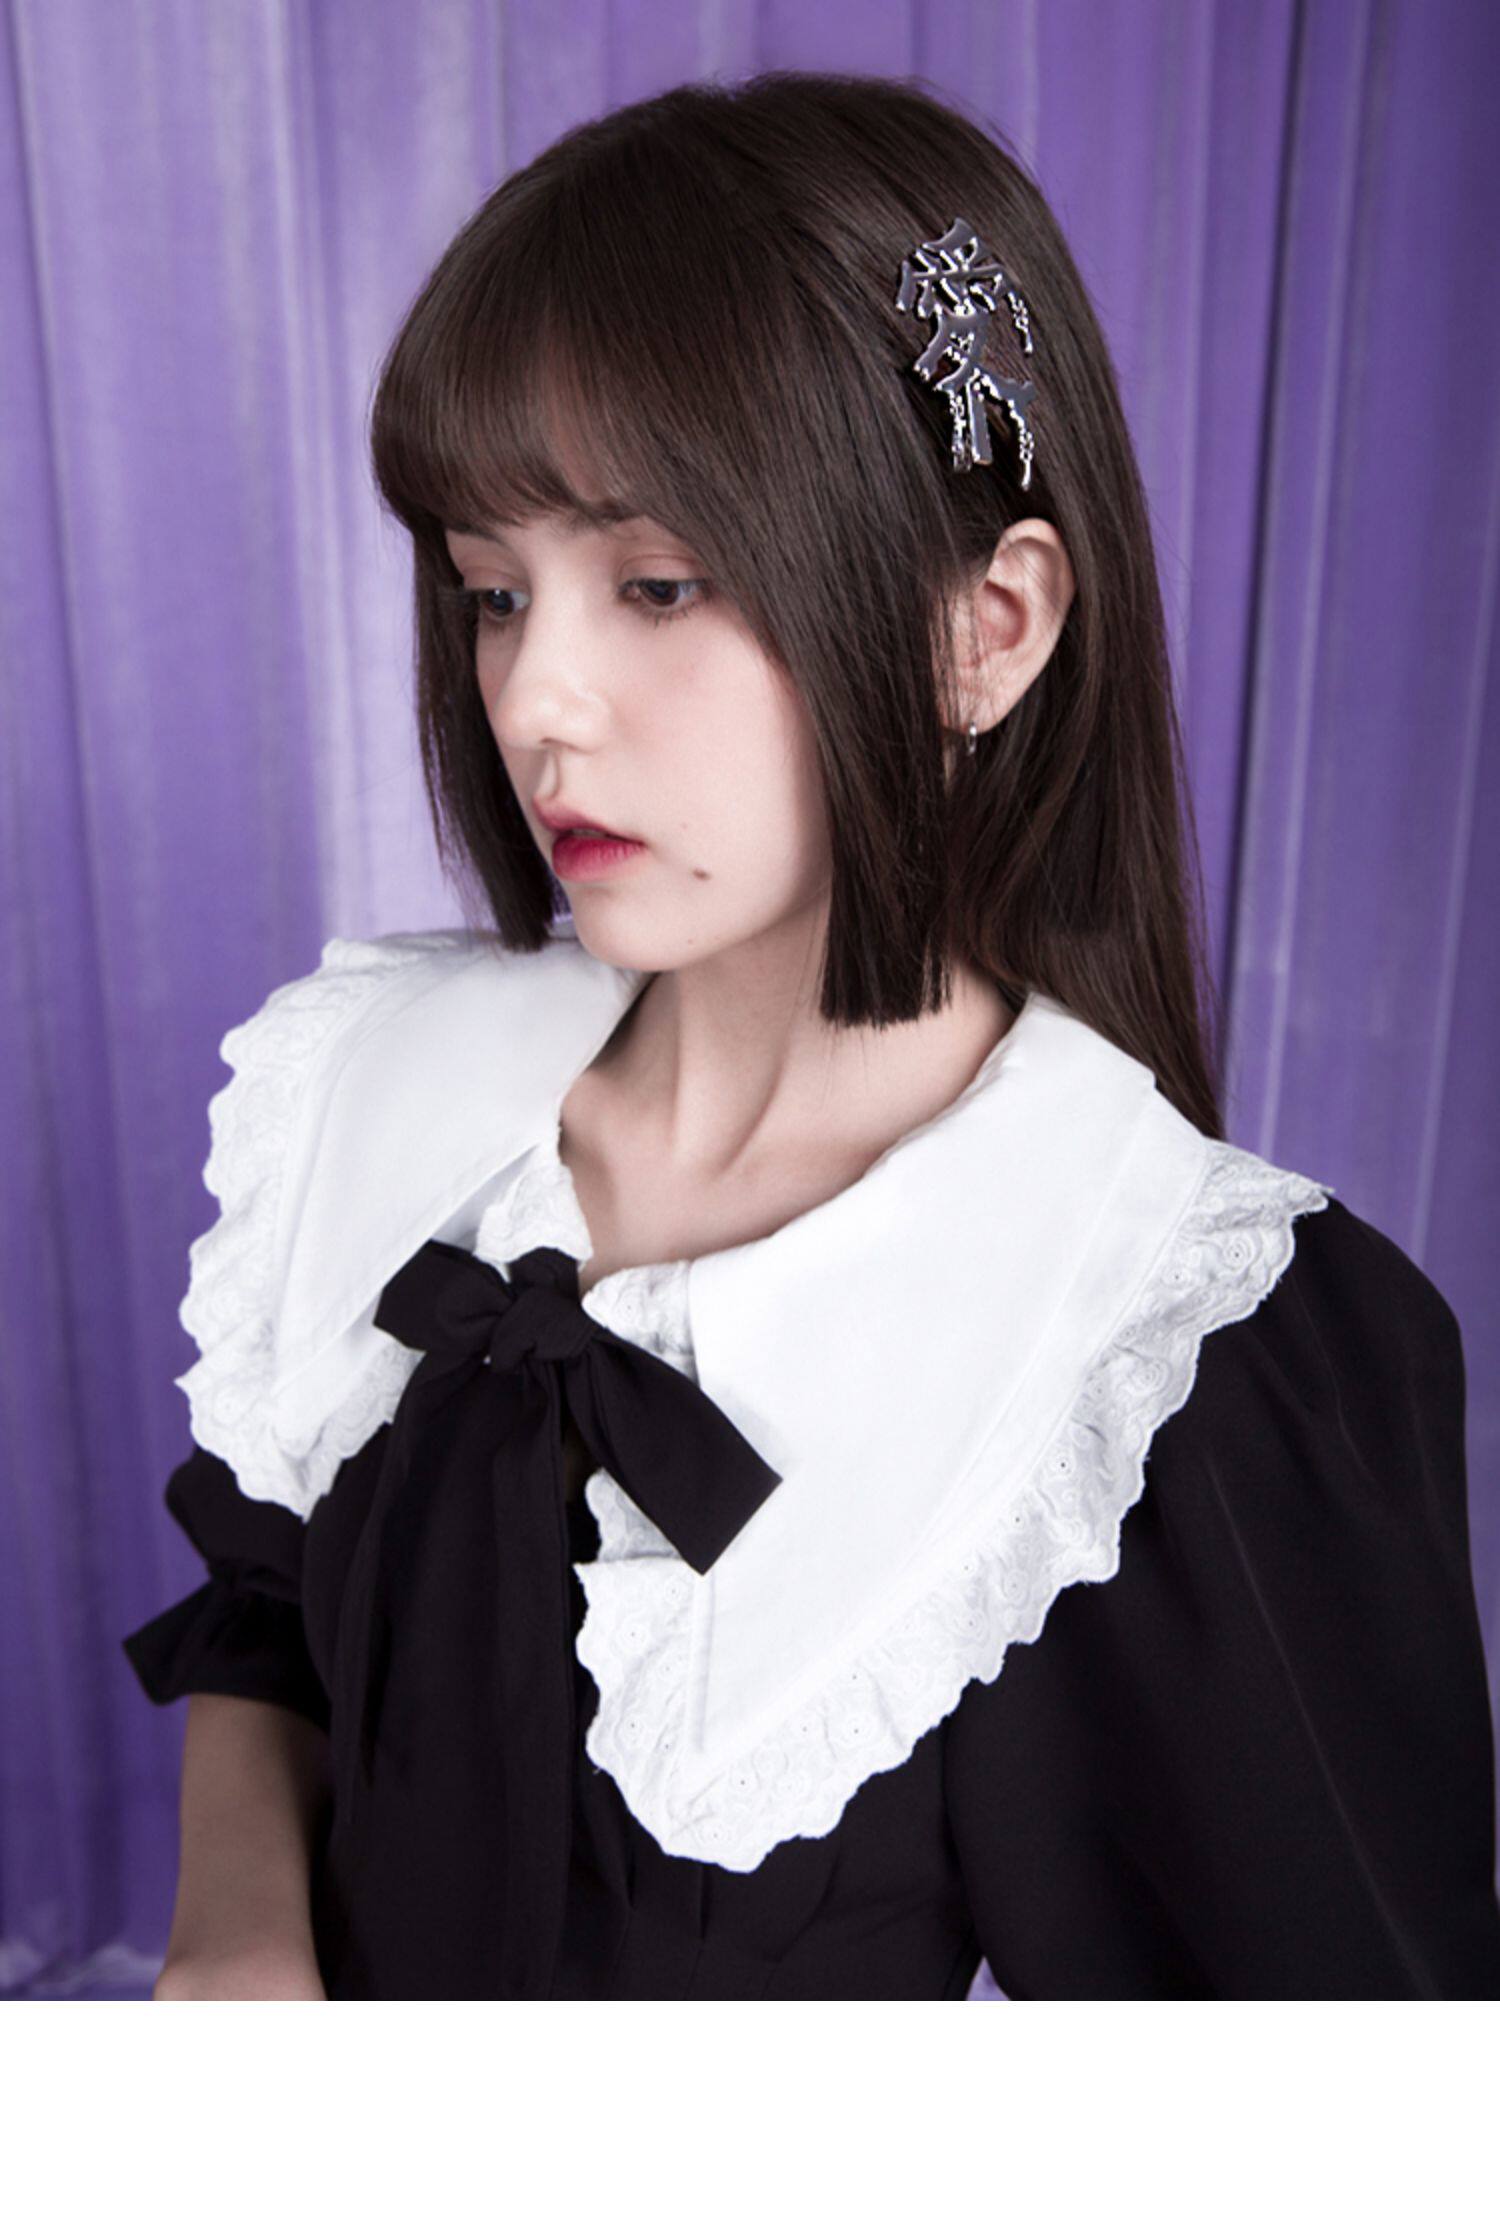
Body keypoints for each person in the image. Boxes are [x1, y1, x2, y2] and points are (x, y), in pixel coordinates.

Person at [122, 70, 1500, 1999]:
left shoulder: (1161, 1354)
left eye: (658, 583)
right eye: (494, 592)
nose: (537, 701)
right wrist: (235, 1936)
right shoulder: (389, 1090)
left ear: (984, 631)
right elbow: (268, 1609)